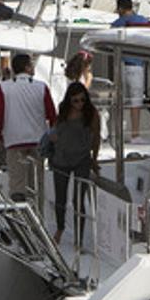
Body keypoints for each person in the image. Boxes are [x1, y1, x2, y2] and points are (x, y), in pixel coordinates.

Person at [0, 53, 56, 201]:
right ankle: (37, 213)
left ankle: (20, 217)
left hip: (14, 142)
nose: (33, 68)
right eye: (31, 65)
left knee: (17, 184)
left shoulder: (5, 88)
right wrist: (53, 139)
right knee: (37, 184)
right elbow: (52, 115)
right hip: (38, 142)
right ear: (27, 67)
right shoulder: (41, 87)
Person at [48, 83, 101, 245]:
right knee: (60, 199)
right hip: (61, 160)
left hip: (82, 160)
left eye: (82, 100)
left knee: (78, 200)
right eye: (75, 101)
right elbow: (55, 130)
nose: (79, 104)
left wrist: (94, 159)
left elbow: (96, 137)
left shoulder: (91, 114)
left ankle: (79, 238)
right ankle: (60, 229)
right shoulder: (62, 111)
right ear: (69, 100)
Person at [110, 0, 150, 140]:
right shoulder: (142, 22)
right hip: (136, 66)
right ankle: (135, 134)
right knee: (136, 101)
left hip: (120, 67)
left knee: (119, 100)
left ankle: (118, 134)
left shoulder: (116, 24)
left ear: (120, 8)